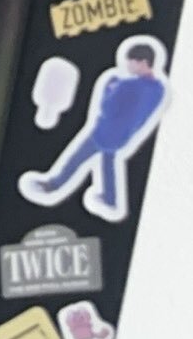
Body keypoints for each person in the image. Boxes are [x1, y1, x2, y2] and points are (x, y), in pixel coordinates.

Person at [19, 36, 169, 223]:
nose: (127, 66)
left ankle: (54, 185)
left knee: (77, 158)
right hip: (124, 135)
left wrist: (110, 88)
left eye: (131, 62)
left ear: (143, 62)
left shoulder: (127, 85)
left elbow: (107, 107)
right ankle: (111, 199)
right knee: (108, 162)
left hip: (105, 132)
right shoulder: (159, 89)